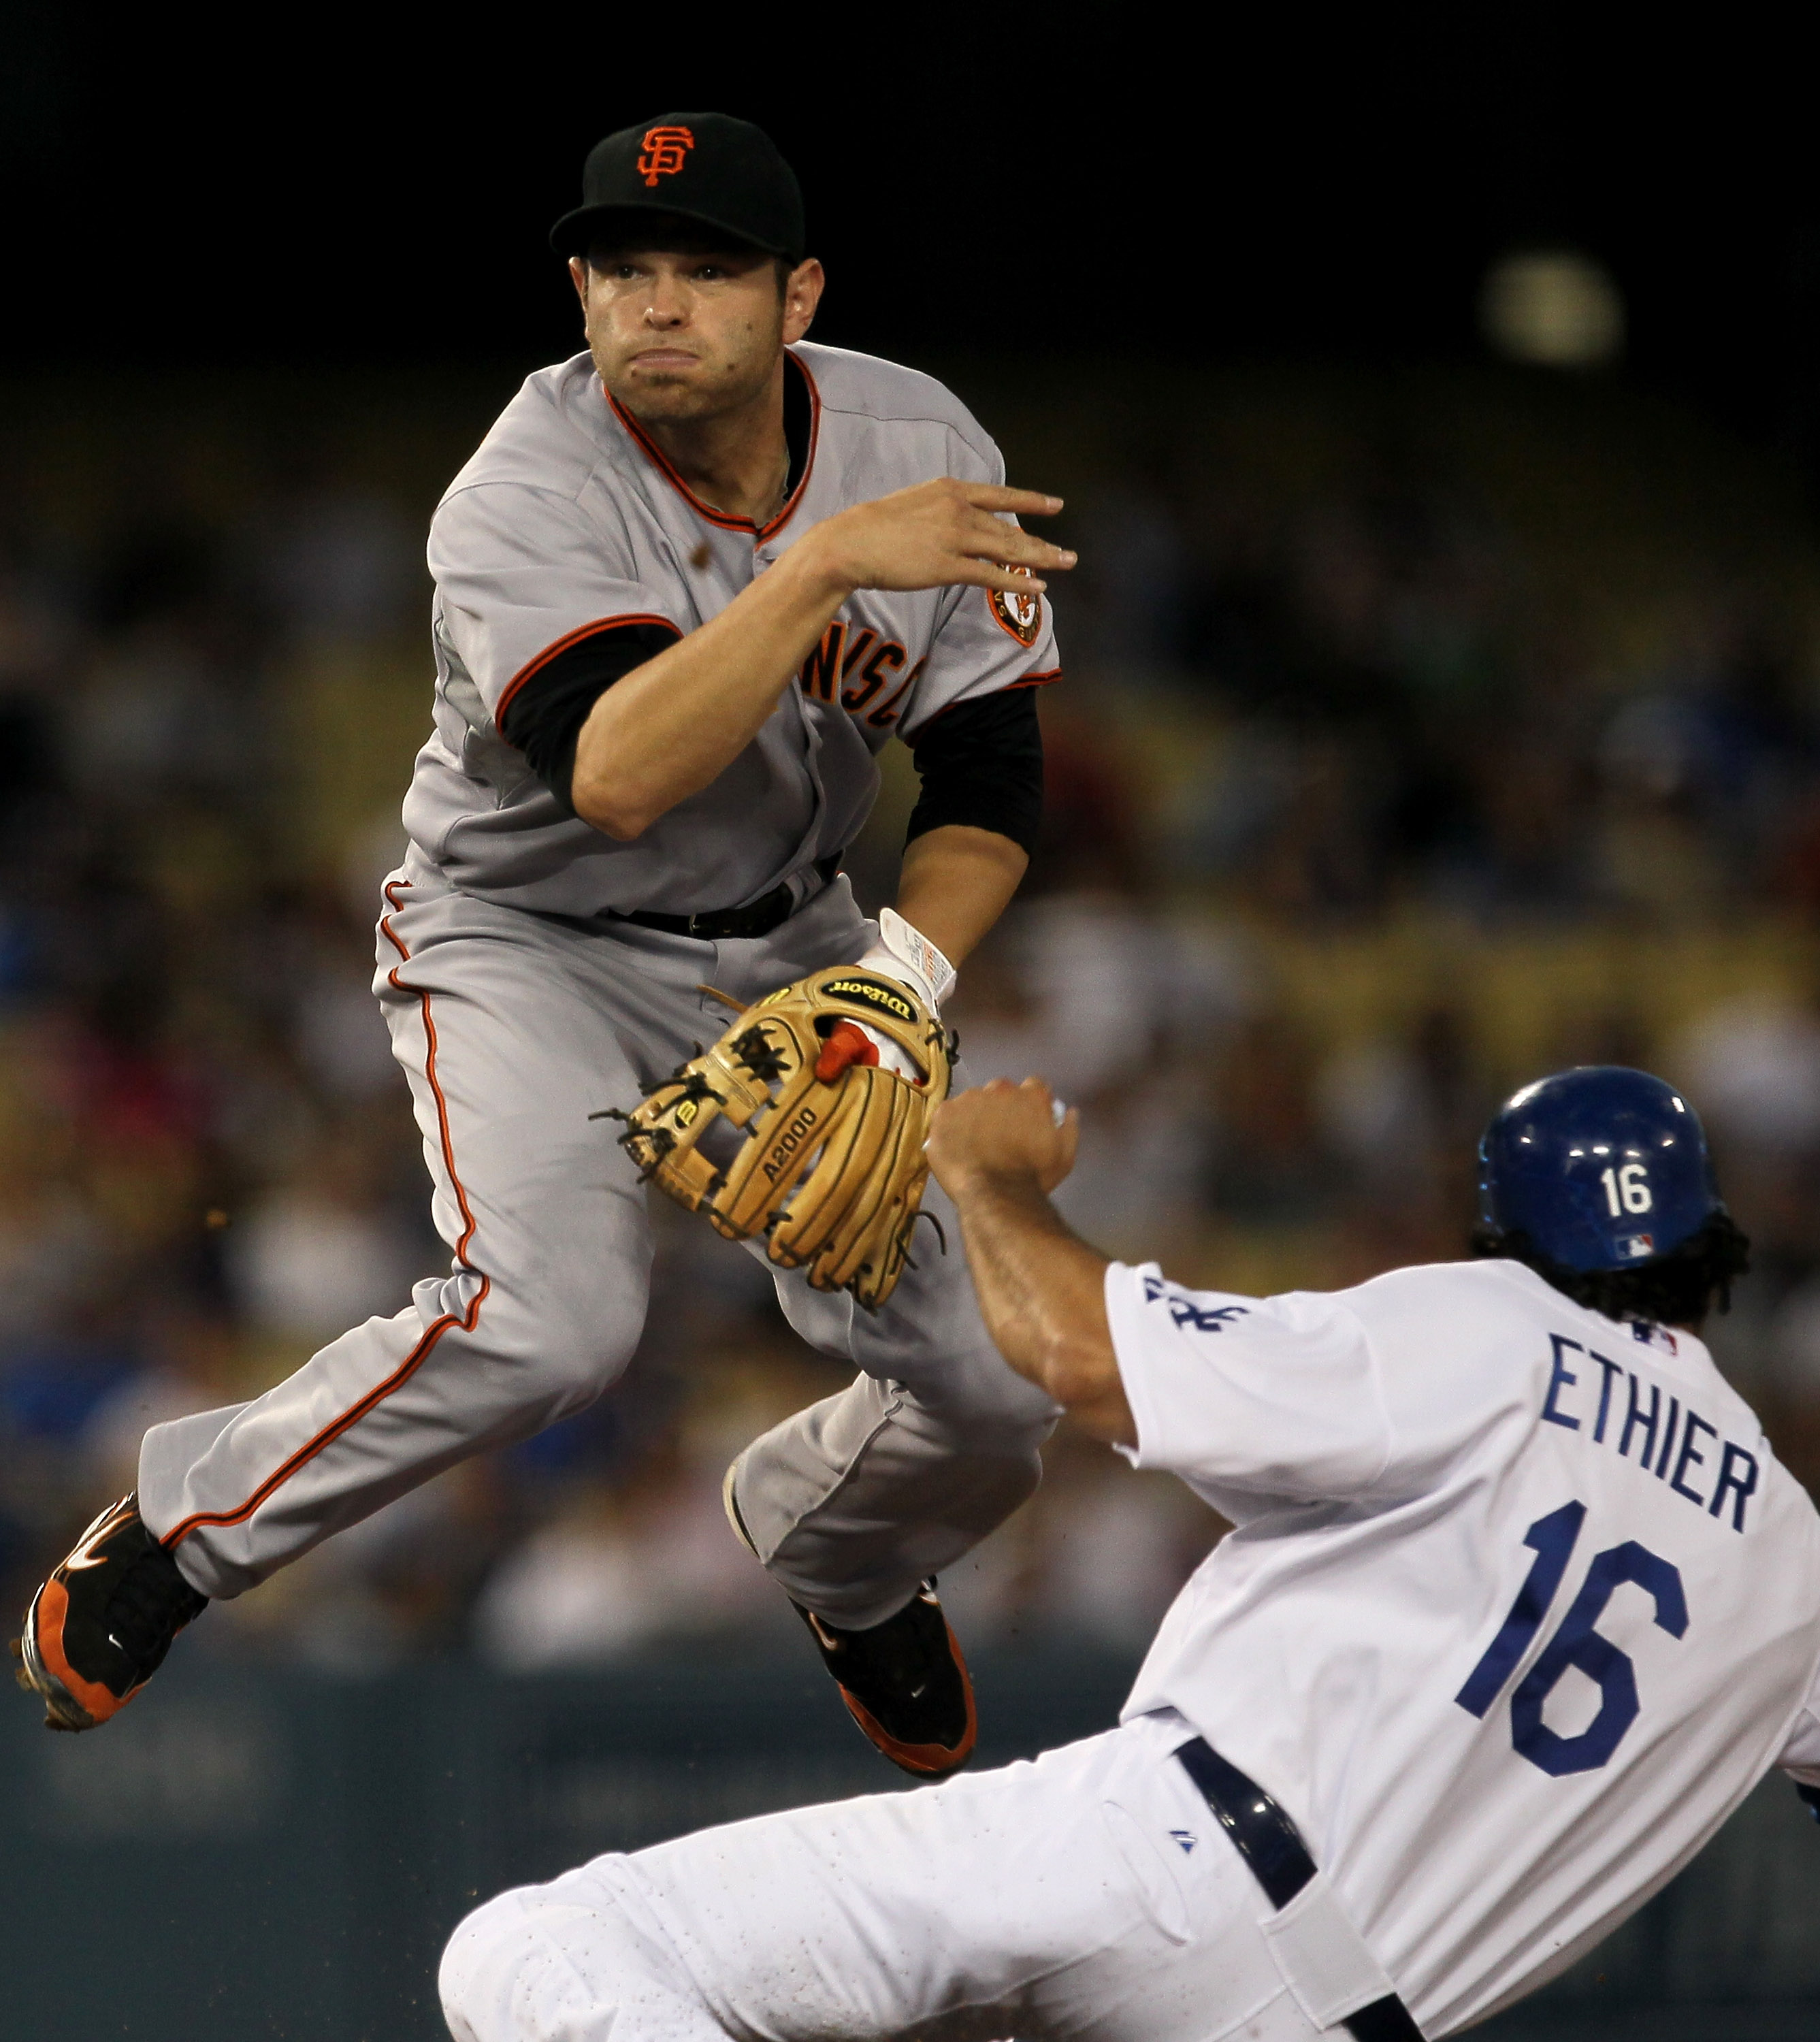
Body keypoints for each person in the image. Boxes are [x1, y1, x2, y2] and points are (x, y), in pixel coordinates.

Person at [13, 112, 1074, 1777]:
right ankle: (181, 1533)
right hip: (529, 933)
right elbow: (623, 777)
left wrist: (900, 978)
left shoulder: (912, 434)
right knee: (552, 1325)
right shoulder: (523, 487)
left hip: (799, 927)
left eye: (704, 270)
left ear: (798, 296)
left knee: (1001, 1375)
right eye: (619, 268)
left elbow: (996, 775)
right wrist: (819, 578)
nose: (654, 303)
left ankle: (840, 1550)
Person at [436, 1065, 1820, 2041]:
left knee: (545, 1950)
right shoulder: (1788, 1554)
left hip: (1167, 1860)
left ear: (1507, 1230)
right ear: (1704, 1243)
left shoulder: (1495, 1327)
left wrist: (980, 1177)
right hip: (1354, 2021)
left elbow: (1084, 1361)